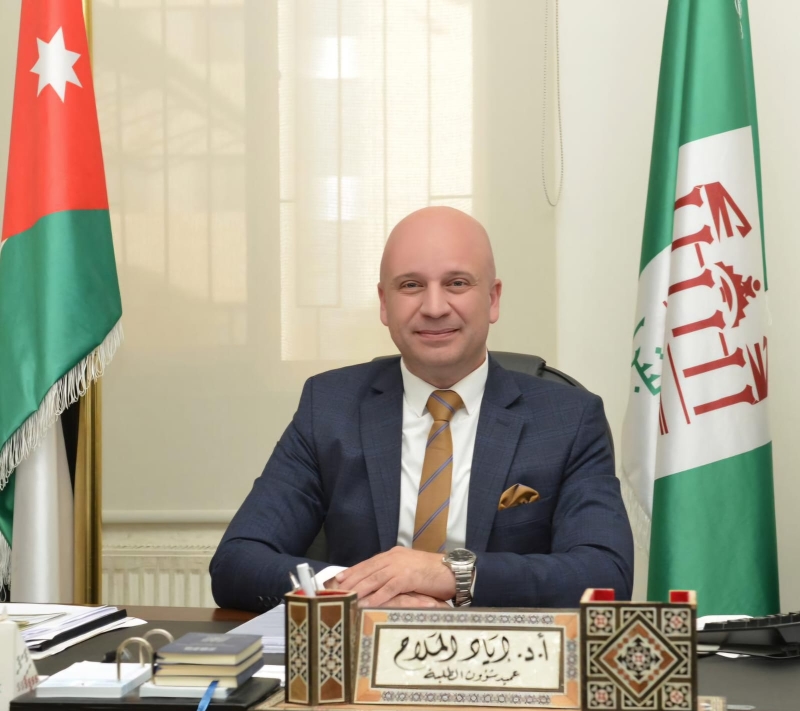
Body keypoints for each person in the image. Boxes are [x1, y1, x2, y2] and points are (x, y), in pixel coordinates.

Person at [210, 207, 633, 611]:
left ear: (493, 299)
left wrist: (451, 574)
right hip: (366, 646)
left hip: (501, 652)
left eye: (457, 283)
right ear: (384, 303)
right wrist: (364, 592)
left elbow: (605, 574)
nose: (434, 307)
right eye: (411, 285)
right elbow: (237, 561)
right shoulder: (330, 407)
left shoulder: (569, 420)